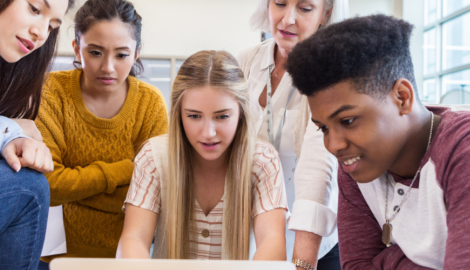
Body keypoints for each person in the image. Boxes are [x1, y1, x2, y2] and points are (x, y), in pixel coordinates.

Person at [286, 14, 470, 269]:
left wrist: (389, 261)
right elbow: (358, 265)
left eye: (348, 121)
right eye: (323, 128)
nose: (334, 145)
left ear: (402, 98)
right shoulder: (356, 165)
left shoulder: (463, 149)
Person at [117, 50, 287, 260]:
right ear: (179, 113)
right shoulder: (153, 157)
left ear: (241, 112)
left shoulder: (263, 161)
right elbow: (133, 239)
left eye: (222, 116)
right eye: (195, 116)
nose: (208, 133)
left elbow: (272, 240)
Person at [35, 0, 168, 268]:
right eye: (95, 52)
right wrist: (126, 171)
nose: (108, 67)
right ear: (76, 48)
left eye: (121, 55)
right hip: (50, 258)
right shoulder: (52, 92)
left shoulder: (150, 104)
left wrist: (75, 188)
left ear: (137, 53)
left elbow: (154, 195)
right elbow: (48, 186)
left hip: (126, 256)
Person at [237, 0, 348, 269]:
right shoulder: (246, 61)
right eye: (280, 3)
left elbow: (317, 166)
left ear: (326, 13)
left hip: (312, 243)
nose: (287, 19)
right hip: (251, 236)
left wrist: (302, 262)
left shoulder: (332, 72)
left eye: (305, 8)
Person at [0, 0, 73, 269]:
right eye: (35, 8)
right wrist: (9, 129)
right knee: (30, 189)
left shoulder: (8, 74)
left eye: (51, 26)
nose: (40, 32)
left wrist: (12, 138)